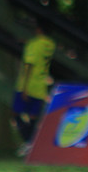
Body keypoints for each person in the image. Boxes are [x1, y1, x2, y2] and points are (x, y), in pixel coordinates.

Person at [13, 19, 56, 156]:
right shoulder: (50, 45)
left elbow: (29, 65)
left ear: (38, 30)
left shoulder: (33, 45)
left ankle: (29, 142)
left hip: (28, 84)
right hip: (41, 85)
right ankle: (31, 143)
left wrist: (24, 87)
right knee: (33, 117)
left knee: (15, 114)